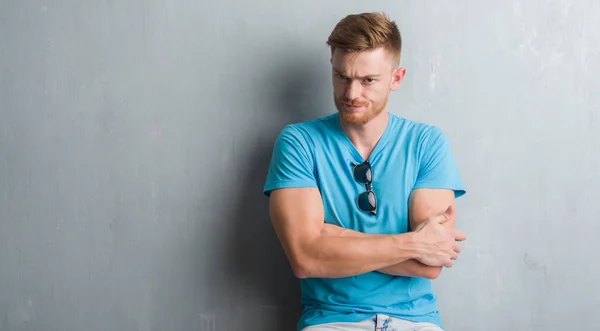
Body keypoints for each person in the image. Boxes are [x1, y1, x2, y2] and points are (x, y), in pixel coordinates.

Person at [263, 11, 467, 331]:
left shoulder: (426, 143)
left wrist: (331, 238)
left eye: (368, 80)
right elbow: (305, 258)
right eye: (342, 77)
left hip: (415, 321)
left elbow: (430, 264)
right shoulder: (299, 142)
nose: (351, 94)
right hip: (331, 320)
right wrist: (413, 242)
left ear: (396, 79)